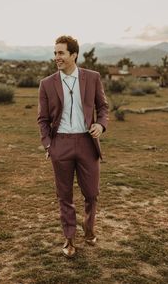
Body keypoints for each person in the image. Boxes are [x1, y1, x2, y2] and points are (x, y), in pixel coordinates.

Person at [37, 35, 108, 258]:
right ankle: (69, 239)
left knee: (92, 193)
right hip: (61, 145)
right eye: (55, 52)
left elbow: (103, 107)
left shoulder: (93, 78)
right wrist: (49, 145)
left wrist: (100, 124)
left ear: (73, 55)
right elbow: (42, 119)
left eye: (61, 53)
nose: (56, 57)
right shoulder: (47, 84)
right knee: (64, 195)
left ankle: (89, 229)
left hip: (87, 143)